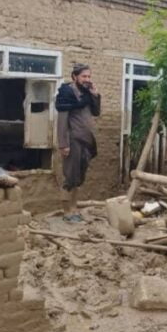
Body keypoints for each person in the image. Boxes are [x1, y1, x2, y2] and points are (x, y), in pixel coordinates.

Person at [56, 63, 101, 222]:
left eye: (89, 76)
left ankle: (74, 208)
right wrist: (63, 144)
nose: (87, 79)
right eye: (84, 76)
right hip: (72, 141)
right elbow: (62, 121)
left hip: (85, 141)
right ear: (75, 77)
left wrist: (95, 95)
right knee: (70, 177)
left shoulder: (87, 93)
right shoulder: (67, 93)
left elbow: (96, 112)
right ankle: (66, 211)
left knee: (79, 177)